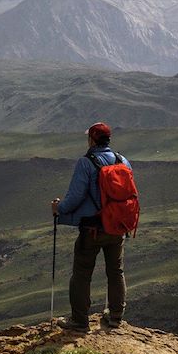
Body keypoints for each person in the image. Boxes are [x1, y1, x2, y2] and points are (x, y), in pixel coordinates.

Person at [50, 121, 131, 332]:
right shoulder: (123, 161)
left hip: (93, 229)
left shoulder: (86, 163)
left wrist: (59, 208)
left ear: (92, 139)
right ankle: (115, 317)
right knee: (116, 271)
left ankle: (79, 321)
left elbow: (75, 197)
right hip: (118, 227)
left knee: (82, 273)